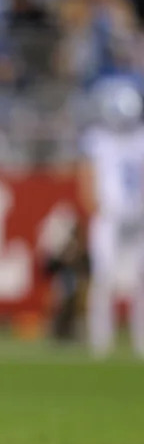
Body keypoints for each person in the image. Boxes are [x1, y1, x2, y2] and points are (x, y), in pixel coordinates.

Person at [80, 76, 144, 358]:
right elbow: (88, 175)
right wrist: (95, 206)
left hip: (139, 216)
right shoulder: (98, 139)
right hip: (109, 214)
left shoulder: (140, 137)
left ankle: (140, 342)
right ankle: (100, 343)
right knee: (104, 277)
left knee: (140, 280)